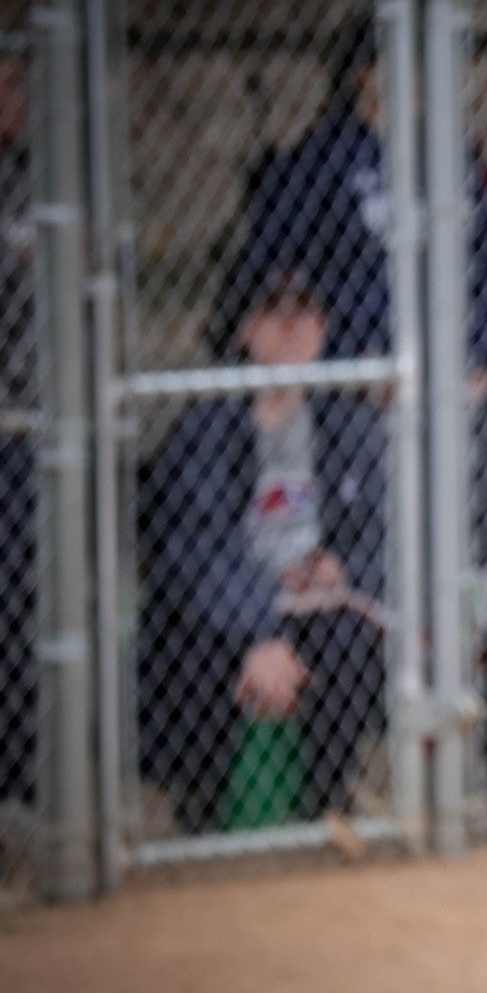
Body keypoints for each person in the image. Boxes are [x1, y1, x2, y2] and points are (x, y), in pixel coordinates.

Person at [137, 273, 389, 834]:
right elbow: (193, 551)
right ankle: (203, 817)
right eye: (275, 315)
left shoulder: (349, 425)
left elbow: (383, 535)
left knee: (350, 641)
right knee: (198, 648)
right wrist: (258, 634)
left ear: (324, 330)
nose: (292, 330)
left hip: (311, 603)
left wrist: (341, 567)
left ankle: (322, 805)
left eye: (306, 315)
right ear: (247, 330)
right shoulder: (209, 424)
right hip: (233, 612)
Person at [231, 11, 487, 372]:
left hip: (456, 360)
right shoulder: (319, 158)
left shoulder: (453, 155)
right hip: (356, 370)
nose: (422, 76)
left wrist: (479, 357)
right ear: (364, 74)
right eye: (410, 62)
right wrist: (352, 358)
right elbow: (276, 270)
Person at [0, 48, 34, 818]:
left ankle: (28, 802)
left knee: (30, 611)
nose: (18, 94)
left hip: (32, 438)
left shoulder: (42, 177)